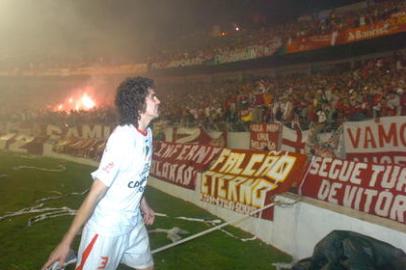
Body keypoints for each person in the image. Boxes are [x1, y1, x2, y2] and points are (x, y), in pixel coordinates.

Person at [42, 76, 160, 270]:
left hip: (133, 223)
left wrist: (143, 204)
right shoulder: (123, 139)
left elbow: (133, 176)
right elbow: (95, 193)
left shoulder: (147, 133)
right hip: (107, 228)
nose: (158, 101)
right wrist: (66, 242)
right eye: (153, 97)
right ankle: (66, 258)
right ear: (139, 104)